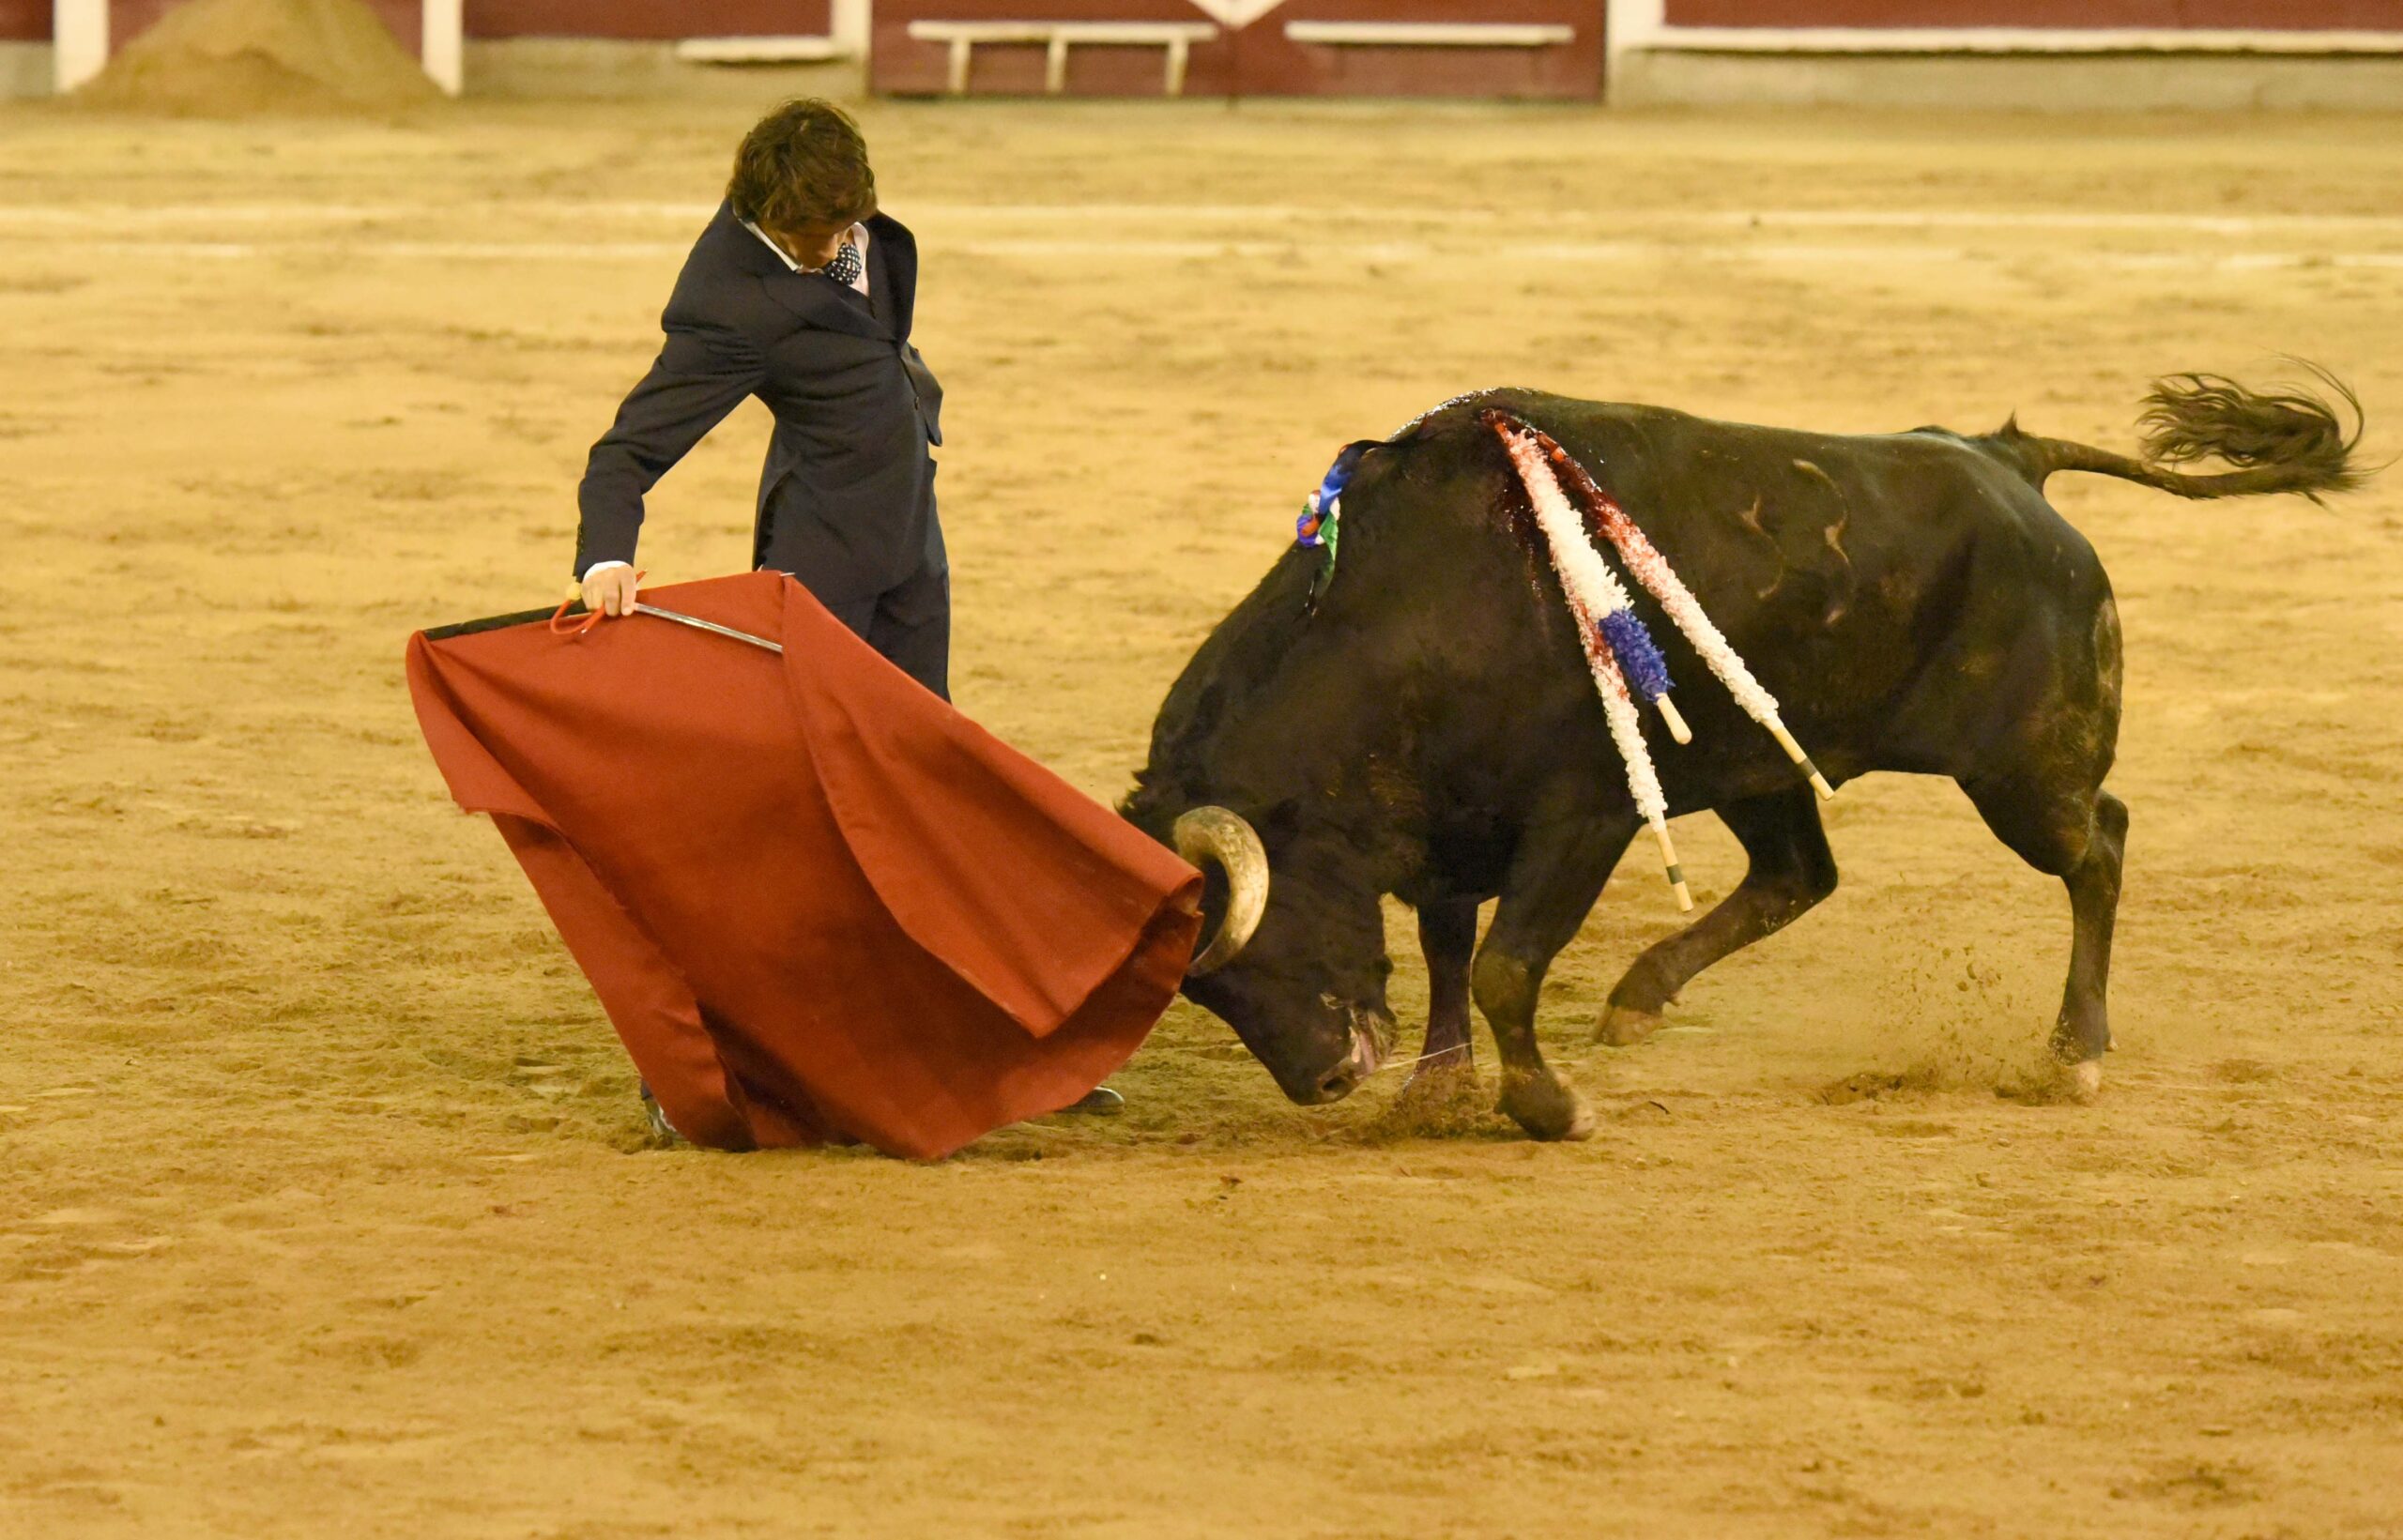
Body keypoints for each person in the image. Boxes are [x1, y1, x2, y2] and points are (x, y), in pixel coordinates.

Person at [574, 99, 950, 699]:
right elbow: (629, 449)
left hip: (909, 520)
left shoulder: (834, 202)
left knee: (923, 726)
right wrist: (606, 557)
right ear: (771, 217)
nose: (839, 247)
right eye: (818, 237)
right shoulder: (725, 304)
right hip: (828, 560)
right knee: (816, 733)